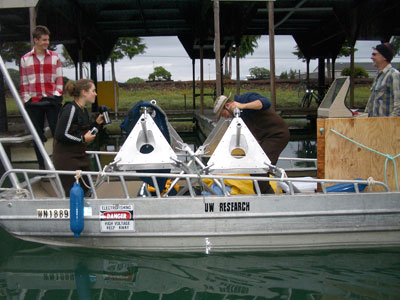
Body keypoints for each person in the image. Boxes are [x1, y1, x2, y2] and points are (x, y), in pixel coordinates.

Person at [214, 92, 290, 194]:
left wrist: (242, 106)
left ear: (227, 106)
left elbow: (265, 103)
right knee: (255, 168)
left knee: (260, 169)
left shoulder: (245, 99)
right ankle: (262, 196)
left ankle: (269, 199)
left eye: (224, 114)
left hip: (277, 135)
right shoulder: (239, 116)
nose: (226, 117)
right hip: (265, 138)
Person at [20, 25, 64, 169]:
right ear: (36, 41)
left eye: (47, 40)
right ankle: (42, 168)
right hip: (34, 102)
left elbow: (59, 78)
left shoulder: (55, 57)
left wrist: (57, 95)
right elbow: (24, 81)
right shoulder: (25, 59)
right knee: (37, 137)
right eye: (44, 40)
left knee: (57, 134)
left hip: (51, 100)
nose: (47, 42)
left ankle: (59, 166)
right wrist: (26, 99)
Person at [53, 79, 103, 196]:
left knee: (87, 190)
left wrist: (96, 124)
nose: (95, 94)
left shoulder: (84, 110)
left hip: (80, 157)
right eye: (93, 91)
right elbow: (60, 134)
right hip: (67, 159)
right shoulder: (71, 109)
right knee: (73, 193)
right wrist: (82, 139)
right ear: (84, 92)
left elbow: (84, 132)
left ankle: (86, 213)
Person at [364, 42, 400, 117]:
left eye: (374, 54)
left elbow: (398, 104)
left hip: (387, 126)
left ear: (384, 57)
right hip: (374, 125)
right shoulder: (378, 75)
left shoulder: (394, 74)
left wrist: (390, 123)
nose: (371, 57)